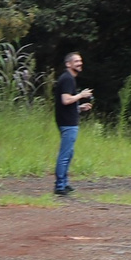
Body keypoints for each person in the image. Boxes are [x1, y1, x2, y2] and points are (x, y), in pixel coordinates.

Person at [51, 52, 94, 196]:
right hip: (68, 124)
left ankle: (64, 182)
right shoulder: (67, 79)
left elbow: (67, 104)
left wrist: (79, 108)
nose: (80, 63)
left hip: (68, 121)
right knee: (65, 154)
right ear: (68, 64)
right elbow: (65, 100)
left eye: (80, 61)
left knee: (68, 153)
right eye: (76, 61)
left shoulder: (68, 79)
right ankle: (60, 186)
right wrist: (81, 95)